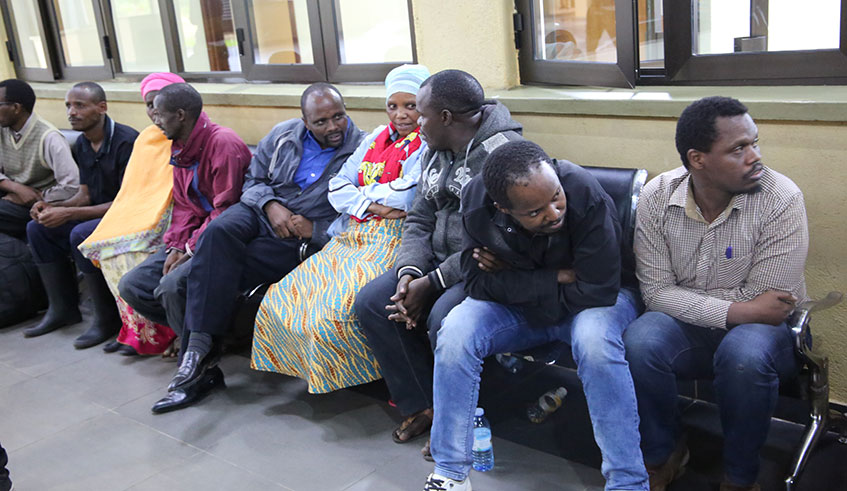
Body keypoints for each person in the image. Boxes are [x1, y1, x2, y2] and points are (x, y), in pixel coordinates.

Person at [422, 140, 648, 491]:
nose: (554, 213)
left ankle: (628, 483)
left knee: (595, 343)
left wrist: (513, 276)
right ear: (503, 208)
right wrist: (555, 277)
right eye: (535, 212)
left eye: (556, 197)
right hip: (533, 302)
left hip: (595, 302)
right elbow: (477, 282)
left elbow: (599, 288)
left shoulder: (583, 189)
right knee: (456, 331)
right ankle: (450, 473)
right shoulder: (477, 199)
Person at [143, 82, 365, 413]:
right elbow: (252, 182)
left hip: (295, 238)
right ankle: (199, 353)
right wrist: (270, 205)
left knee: (184, 282)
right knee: (218, 231)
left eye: (339, 116)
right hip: (259, 214)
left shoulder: (361, 149)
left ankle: (196, 362)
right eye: (321, 121)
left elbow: (360, 215)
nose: (333, 126)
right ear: (305, 120)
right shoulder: (283, 135)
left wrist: (316, 230)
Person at [624, 96, 808, 491]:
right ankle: (663, 452)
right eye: (738, 148)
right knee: (640, 340)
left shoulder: (781, 199)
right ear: (698, 159)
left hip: (766, 336)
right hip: (699, 327)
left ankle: (740, 477)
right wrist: (741, 308)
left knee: (743, 355)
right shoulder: (658, 196)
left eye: (755, 142)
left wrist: (689, 300)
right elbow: (656, 293)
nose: (755, 157)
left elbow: (772, 306)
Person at [356, 69, 523, 451]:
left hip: (486, 267)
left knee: (443, 316)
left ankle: (460, 419)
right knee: (373, 302)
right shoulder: (434, 148)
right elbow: (419, 218)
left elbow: (496, 241)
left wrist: (432, 283)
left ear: (446, 117)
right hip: (435, 261)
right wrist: (409, 273)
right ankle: (426, 407)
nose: (416, 121)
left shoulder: (504, 156)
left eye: (423, 113)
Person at [251, 64, 430, 393]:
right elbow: (337, 187)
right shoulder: (375, 138)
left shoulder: (429, 143)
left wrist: (361, 194)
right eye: (393, 105)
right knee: (282, 297)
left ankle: (363, 377)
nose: (401, 114)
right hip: (352, 234)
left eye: (411, 105)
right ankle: (310, 373)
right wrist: (375, 206)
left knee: (330, 313)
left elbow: (408, 195)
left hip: (395, 240)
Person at [118, 83, 252, 410]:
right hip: (194, 238)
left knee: (171, 287)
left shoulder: (223, 143)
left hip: (223, 240)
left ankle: (195, 372)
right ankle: (207, 342)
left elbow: (226, 210)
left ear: (180, 115)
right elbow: (184, 206)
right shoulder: (179, 145)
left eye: (159, 113)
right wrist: (177, 245)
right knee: (133, 285)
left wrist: (190, 248)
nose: (154, 120)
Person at [24, 82, 138, 348]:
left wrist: (69, 213)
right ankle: (62, 309)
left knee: (80, 233)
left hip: (127, 216)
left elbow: (128, 203)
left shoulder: (127, 141)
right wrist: (52, 208)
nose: (71, 112)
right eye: (68, 106)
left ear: (102, 107)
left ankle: (107, 319)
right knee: (38, 229)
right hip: (98, 213)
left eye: (79, 105)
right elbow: (85, 195)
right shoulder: (84, 143)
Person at [78, 72, 184, 356]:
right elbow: (133, 189)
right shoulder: (147, 138)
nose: (155, 111)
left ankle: (165, 333)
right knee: (107, 249)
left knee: (133, 252)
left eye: (160, 102)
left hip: (174, 215)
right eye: (149, 104)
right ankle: (134, 331)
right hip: (139, 211)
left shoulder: (191, 135)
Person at [0, 79, 78, 239]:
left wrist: (37, 197)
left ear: (16, 108)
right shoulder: (3, 128)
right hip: (10, 195)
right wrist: (14, 187)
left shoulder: (50, 138)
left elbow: (72, 186)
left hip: (38, 205)